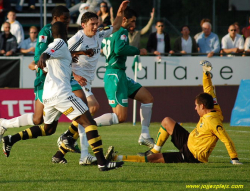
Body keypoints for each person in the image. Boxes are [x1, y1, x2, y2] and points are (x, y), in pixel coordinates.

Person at [2, 22, 124, 171]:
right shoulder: (59, 43)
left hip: (49, 96)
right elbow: (47, 54)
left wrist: (77, 55)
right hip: (61, 94)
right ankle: (102, 163)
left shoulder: (57, 46)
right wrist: (43, 57)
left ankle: (11, 139)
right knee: (89, 123)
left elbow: (51, 58)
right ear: (65, 31)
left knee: (48, 129)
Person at [0, 5, 97, 165]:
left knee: (81, 106)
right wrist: (44, 68)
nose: (67, 23)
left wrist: (81, 54)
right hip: (47, 81)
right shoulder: (46, 32)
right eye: (65, 19)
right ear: (56, 19)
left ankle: (81, 153)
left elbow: (62, 53)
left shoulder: (61, 36)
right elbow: (40, 56)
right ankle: (5, 125)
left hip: (60, 80)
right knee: (41, 121)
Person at [105, 60, 242, 165]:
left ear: (202, 106)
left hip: (192, 156)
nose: (195, 109)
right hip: (188, 141)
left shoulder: (214, 121)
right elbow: (208, 89)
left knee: (153, 160)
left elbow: (226, 139)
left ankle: (117, 158)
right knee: (167, 121)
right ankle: (154, 149)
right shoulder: (212, 105)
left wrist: (234, 159)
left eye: (196, 106)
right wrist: (206, 73)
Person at [52, 0, 130, 165]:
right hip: (73, 80)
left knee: (84, 115)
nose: (95, 27)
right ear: (83, 25)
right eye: (92, 24)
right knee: (91, 108)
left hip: (86, 82)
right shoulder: (76, 39)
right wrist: (75, 75)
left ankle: (63, 151)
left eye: (97, 23)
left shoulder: (99, 34)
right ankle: (82, 153)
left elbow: (115, 27)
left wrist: (120, 12)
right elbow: (62, 59)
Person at [96, 7, 154, 148]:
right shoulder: (122, 31)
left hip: (119, 74)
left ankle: (144, 135)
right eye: (132, 21)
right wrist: (138, 50)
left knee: (147, 99)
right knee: (121, 117)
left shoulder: (109, 29)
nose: (133, 25)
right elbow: (119, 49)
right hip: (115, 75)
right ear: (124, 20)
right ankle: (86, 124)